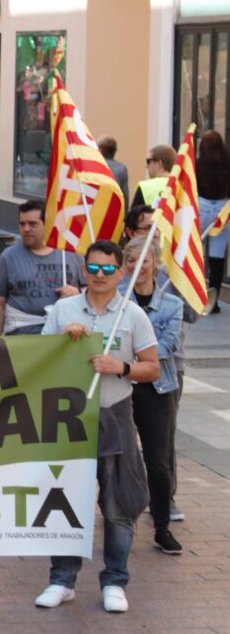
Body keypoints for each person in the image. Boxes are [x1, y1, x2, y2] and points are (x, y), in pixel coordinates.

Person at [36, 239, 159, 614]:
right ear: (83, 269)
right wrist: (64, 343)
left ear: (121, 272)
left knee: (118, 501)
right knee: (65, 501)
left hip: (115, 412)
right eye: (94, 268)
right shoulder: (62, 309)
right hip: (70, 416)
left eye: (108, 269)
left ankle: (116, 580)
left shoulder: (133, 315)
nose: (100, 275)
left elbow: (152, 367)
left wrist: (120, 367)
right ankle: (62, 579)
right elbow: (39, 361)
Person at [119, 237, 184, 554]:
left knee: (157, 461)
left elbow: (167, 348)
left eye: (143, 260)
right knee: (120, 458)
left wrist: (127, 360)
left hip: (157, 389)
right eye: (130, 260)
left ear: (155, 263)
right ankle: (121, 519)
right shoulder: (115, 301)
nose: (136, 266)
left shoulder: (172, 304)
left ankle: (162, 527)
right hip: (118, 387)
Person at [0, 200, 84, 335]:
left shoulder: (71, 254)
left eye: (33, 224)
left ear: (48, 224)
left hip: (66, 335)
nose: (26, 229)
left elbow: (93, 292)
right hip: (23, 338)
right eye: (22, 224)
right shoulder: (8, 257)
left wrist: (77, 293)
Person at [197, 129, 230, 309]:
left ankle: (197, 293)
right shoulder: (227, 163)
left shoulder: (199, 164)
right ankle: (214, 301)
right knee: (217, 257)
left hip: (201, 206)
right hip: (223, 209)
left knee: (196, 250)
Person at [132, 144, 176, 208]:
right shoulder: (183, 188)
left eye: (148, 161)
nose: (146, 166)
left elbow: (134, 216)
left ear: (159, 163)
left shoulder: (145, 187)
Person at [98, 135, 129, 209]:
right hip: (114, 210)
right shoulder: (122, 168)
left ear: (101, 149)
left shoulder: (95, 166)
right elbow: (125, 196)